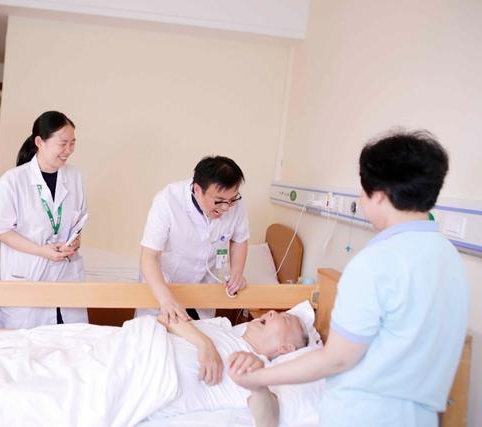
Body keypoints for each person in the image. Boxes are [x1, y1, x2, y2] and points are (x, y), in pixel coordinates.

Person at [228, 130, 470, 427]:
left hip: (364, 415)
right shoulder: (450, 259)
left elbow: (338, 358)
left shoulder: (376, 262)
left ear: (379, 194)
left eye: (363, 190)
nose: (361, 199)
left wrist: (259, 377)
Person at [0, 111, 88, 329]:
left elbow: (79, 221)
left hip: (65, 276)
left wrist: (75, 242)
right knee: (27, 344)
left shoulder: (74, 177)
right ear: (39, 142)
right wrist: (41, 251)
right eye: (63, 143)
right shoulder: (13, 181)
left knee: (70, 341)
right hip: (28, 276)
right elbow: (1, 230)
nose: (69, 150)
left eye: (72, 143)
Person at [138, 156, 250, 322]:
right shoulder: (167, 200)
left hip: (203, 289)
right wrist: (165, 298)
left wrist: (236, 273)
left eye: (231, 201)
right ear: (197, 189)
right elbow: (149, 256)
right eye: (219, 201)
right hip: (164, 285)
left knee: (202, 333)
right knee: (158, 333)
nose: (226, 208)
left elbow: (240, 240)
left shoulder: (234, 202)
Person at [153, 308, 308, 426]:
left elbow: (268, 422)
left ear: (286, 348)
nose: (272, 311)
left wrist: (258, 385)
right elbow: (166, 318)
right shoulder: (222, 326)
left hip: (152, 379)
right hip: (146, 340)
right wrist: (205, 344)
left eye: (285, 319)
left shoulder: (261, 371)